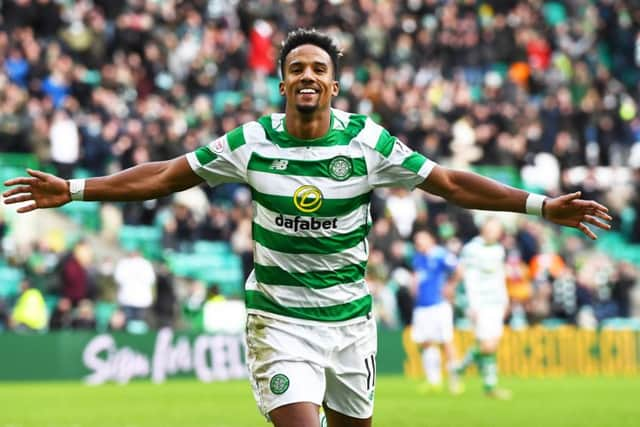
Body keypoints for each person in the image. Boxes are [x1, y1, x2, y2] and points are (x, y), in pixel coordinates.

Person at [2, 29, 611, 427]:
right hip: (279, 320)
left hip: (350, 323)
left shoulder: (367, 142)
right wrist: (75, 189)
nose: (307, 76)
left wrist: (539, 206)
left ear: (335, 84)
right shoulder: (252, 142)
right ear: (283, 82)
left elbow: (449, 183)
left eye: (318, 67)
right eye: (296, 68)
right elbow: (167, 174)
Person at [455, 217, 511, 399]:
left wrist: (505, 300)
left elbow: (500, 276)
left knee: (491, 345)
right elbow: (469, 278)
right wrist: (472, 305)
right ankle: (461, 370)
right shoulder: (472, 249)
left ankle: (486, 384)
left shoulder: (499, 250)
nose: (494, 232)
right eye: (491, 228)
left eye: (497, 229)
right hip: (480, 302)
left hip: (496, 301)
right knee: (487, 345)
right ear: (484, 229)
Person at [410, 230, 461, 394]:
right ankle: (434, 380)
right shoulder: (418, 257)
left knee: (446, 341)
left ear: (430, 239)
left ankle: (455, 380)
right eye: (416, 241)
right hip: (422, 305)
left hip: (438, 304)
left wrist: (451, 286)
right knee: (425, 341)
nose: (418, 243)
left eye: (421, 239)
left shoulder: (440, 254)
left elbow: (459, 269)